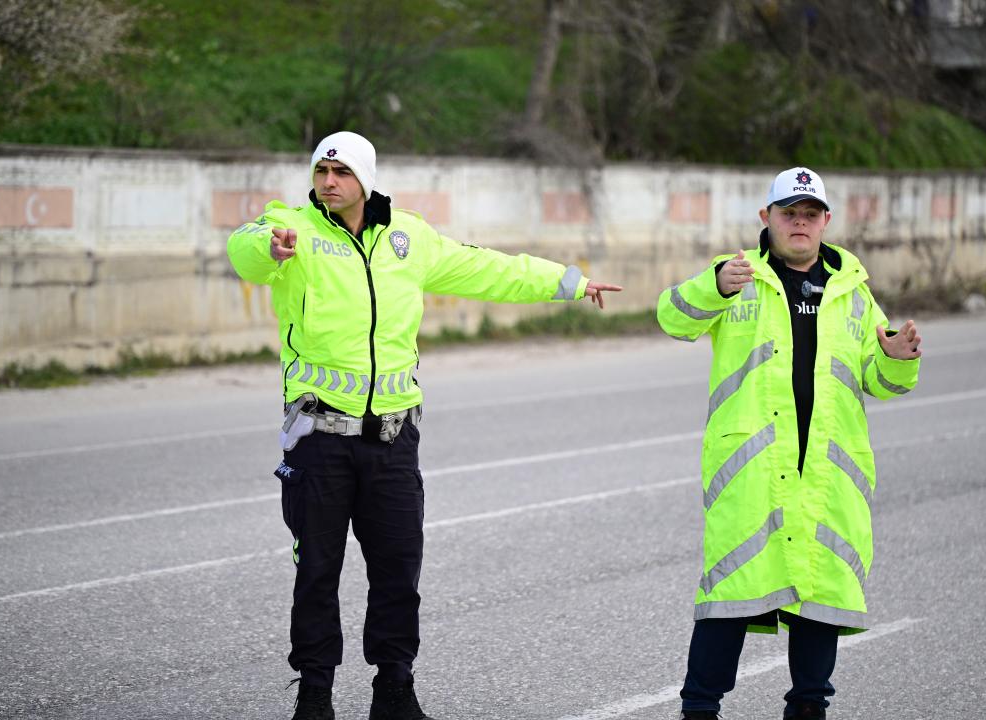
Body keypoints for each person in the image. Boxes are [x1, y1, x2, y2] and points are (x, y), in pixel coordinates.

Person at [227, 131, 621, 720]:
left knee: (397, 572)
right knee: (316, 572)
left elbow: (486, 269)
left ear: (365, 178)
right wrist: (270, 248)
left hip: (393, 441)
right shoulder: (293, 228)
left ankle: (394, 691)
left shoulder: (408, 238)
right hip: (318, 440)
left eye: (341, 172)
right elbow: (245, 248)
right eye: (321, 171)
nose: (328, 181)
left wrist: (568, 282)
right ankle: (314, 696)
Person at [656, 167, 921, 720]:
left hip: (826, 473)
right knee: (731, 592)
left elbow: (880, 380)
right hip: (750, 473)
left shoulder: (853, 291)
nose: (799, 223)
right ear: (767, 217)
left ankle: (808, 708)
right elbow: (673, 318)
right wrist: (714, 285)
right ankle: (699, 709)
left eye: (810, 214)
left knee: (819, 597)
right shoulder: (738, 276)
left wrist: (898, 358)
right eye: (788, 213)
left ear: (826, 221)